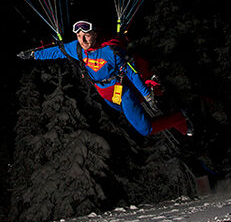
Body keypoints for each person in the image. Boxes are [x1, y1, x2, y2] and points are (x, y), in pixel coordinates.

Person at [18, 20, 191, 137]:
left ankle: (179, 117)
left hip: (121, 91)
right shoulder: (77, 48)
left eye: (86, 35)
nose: (82, 40)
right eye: (78, 36)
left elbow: (131, 73)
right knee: (127, 111)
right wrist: (33, 54)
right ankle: (154, 94)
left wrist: (147, 95)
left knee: (144, 129)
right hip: (106, 94)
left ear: (95, 34)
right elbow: (56, 51)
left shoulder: (110, 51)